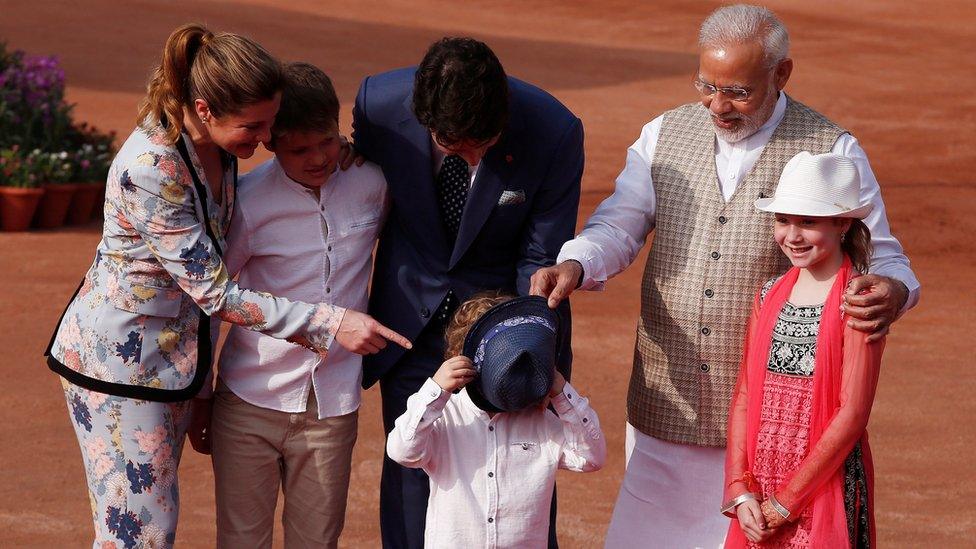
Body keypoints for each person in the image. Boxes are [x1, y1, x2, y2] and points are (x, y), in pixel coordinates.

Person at [529, 5, 919, 547]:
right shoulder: (663, 133)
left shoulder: (833, 149)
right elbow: (618, 225)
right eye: (706, 86)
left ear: (781, 75)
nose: (717, 105)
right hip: (668, 400)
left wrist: (893, 291)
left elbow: (886, 258)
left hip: (774, 423)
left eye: (737, 92)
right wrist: (577, 261)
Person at [44, 25, 407, 548]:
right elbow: (216, 295)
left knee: (152, 525)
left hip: (173, 364)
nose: (265, 140)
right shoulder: (151, 167)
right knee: (138, 534)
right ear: (205, 108)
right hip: (121, 366)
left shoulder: (219, 144)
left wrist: (337, 145)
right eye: (256, 126)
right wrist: (330, 322)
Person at [351, 36, 584, 548]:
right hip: (408, 322)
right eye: (454, 145)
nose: (473, 156)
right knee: (413, 471)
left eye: (484, 142)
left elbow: (540, 258)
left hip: (503, 332)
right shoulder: (378, 106)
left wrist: (531, 349)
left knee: (521, 478)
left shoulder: (553, 130)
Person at [207, 62, 388, 549]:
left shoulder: (372, 183)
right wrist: (202, 394)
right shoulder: (245, 202)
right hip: (248, 403)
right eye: (299, 149)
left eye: (327, 141)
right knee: (242, 541)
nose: (318, 158)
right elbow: (212, 300)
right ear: (269, 140)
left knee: (317, 542)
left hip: (332, 408)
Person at [723, 151, 884, 547]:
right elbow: (744, 396)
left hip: (823, 485)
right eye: (783, 220)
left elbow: (853, 412)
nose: (791, 236)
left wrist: (786, 502)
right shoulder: (768, 293)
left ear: (843, 223)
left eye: (808, 222)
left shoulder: (858, 299)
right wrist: (741, 490)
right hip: (762, 484)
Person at [386, 293, 606, 549]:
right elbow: (402, 451)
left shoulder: (540, 420)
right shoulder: (445, 416)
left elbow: (592, 457)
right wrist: (435, 390)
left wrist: (561, 391)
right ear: (460, 358)